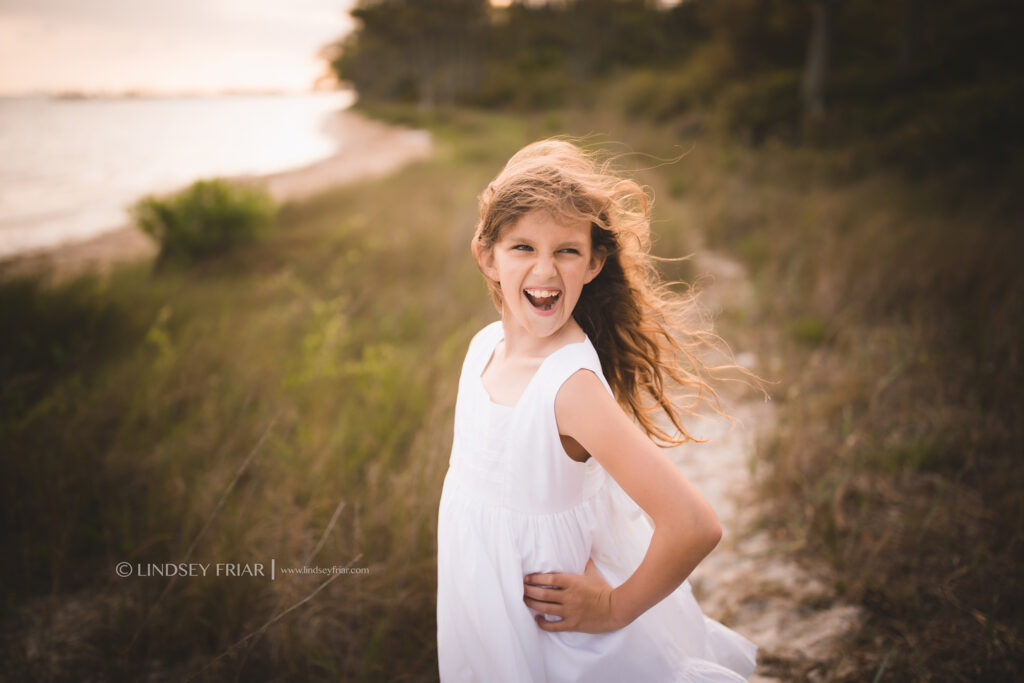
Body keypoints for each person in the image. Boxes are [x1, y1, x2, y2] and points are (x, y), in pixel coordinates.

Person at [436, 138, 758, 681]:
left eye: (566, 250)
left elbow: (694, 524)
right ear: (487, 256)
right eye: (523, 247)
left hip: (558, 641)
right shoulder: (483, 348)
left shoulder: (570, 388)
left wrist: (611, 608)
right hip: (487, 614)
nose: (544, 270)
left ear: (593, 263)